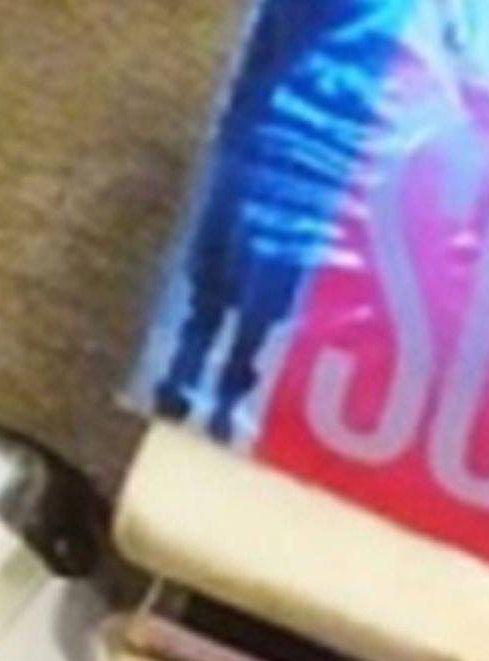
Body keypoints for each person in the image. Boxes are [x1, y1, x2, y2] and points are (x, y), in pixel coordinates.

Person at [151, 0, 410, 442]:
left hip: (302, 146)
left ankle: (209, 390)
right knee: (223, 278)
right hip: (274, 135)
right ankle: (194, 382)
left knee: (247, 289)